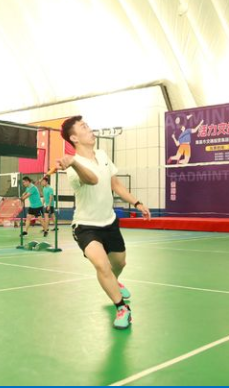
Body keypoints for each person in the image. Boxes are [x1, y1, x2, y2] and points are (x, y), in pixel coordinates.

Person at [57, 115, 151, 330]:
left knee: (119, 263)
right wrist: (74, 163)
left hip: (109, 222)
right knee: (102, 265)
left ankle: (114, 282)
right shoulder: (72, 167)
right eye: (84, 127)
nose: (90, 129)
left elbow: (115, 185)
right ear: (74, 138)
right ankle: (122, 308)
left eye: (88, 125)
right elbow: (91, 180)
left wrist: (137, 203)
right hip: (85, 226)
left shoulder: (102, 155)